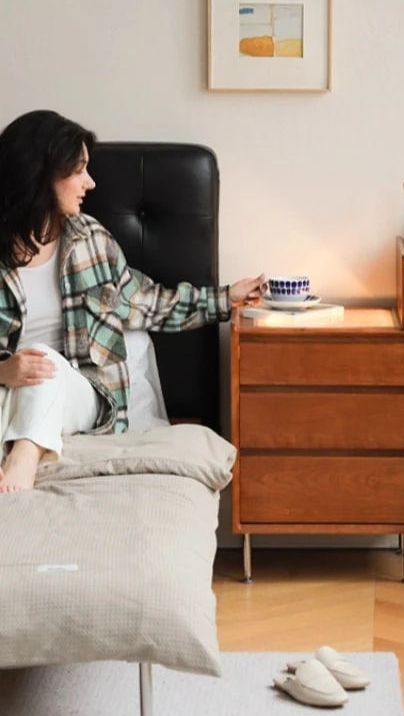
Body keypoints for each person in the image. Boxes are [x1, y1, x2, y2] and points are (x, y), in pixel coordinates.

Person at [0, 110, 263, 493]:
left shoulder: (90, 240)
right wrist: (5, 372)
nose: (90, 183)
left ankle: (22, 462)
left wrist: (225, 299)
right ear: (40, 174)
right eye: (78, 171)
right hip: (8, 390)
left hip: (78, 393)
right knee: (25, 378)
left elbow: (148, 302)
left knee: (44, 364)